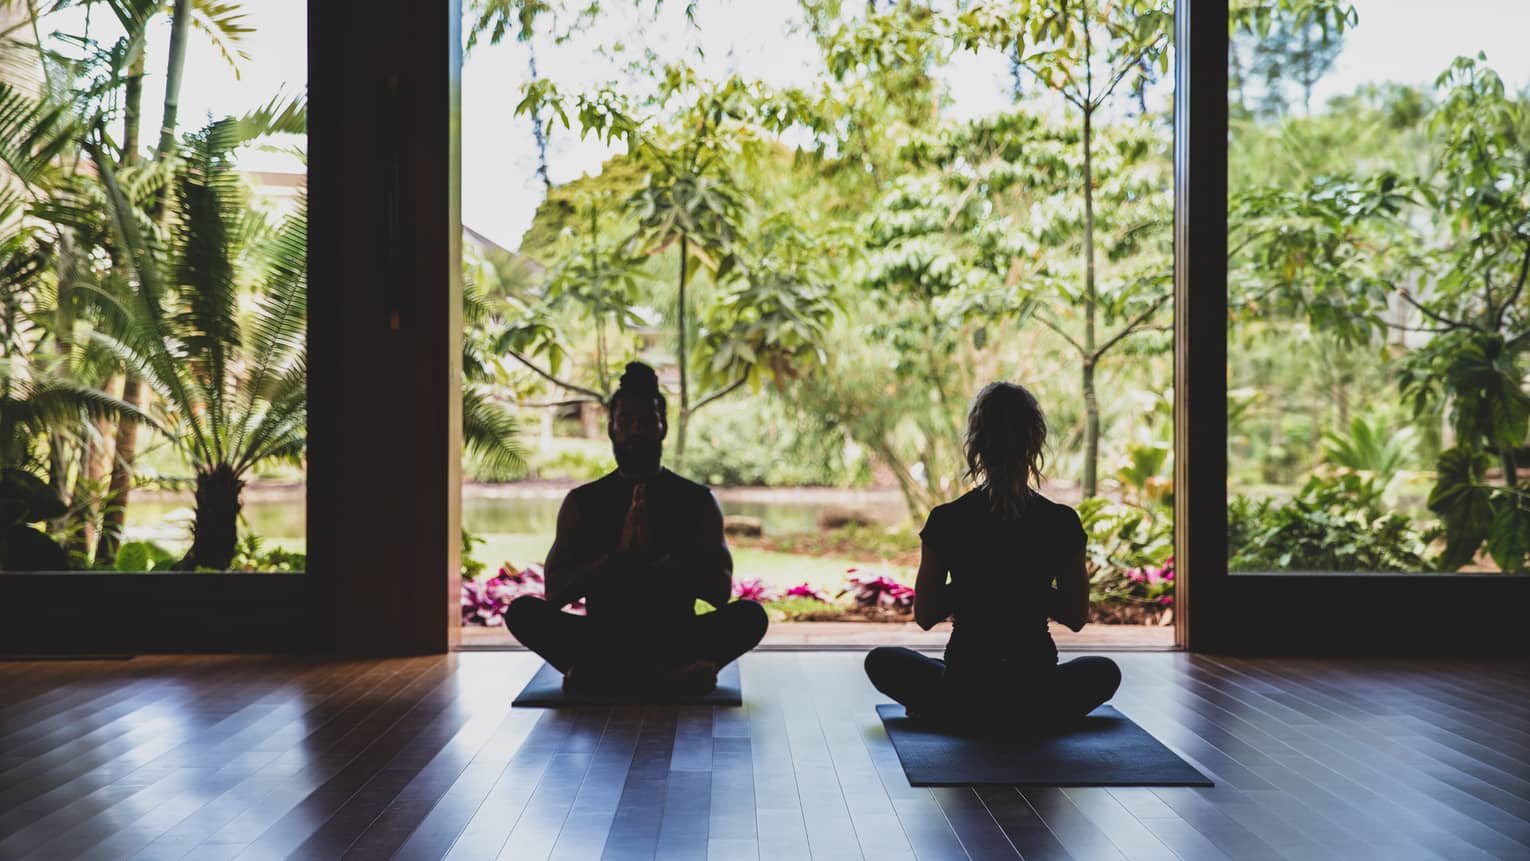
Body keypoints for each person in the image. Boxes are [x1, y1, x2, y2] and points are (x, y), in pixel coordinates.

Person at [864, 381, 1121, 727]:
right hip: (1037, 689)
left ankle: (949, 711)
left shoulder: (947, 519)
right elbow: (1075, 617)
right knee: (1104, 672)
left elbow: (925, 615)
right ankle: (1034, 716)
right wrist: (1027, 587)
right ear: (1034, 442)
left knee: (882, 661)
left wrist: (974, 585)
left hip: (964, 687)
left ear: (977, 444)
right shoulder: (1060, 521)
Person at [506, 362, 768, 694]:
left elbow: (719, 593)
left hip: (676, 639)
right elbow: (555, 593)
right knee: (522, 612)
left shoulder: (697, 500)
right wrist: (618, 557)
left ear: (663, 427)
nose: (635, 431)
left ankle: (607, 677)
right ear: (612, 429)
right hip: (602, 639)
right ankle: (668, 678)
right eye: (626, 421)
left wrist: (658, 559)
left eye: (646, 421)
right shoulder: (582, 501)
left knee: (751, 616)